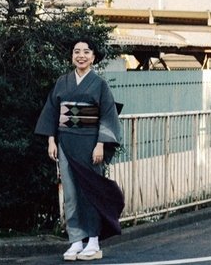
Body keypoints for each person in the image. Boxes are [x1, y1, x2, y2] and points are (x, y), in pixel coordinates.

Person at [35, 40, 124, 261]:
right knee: (71, 194)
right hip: (65, 143)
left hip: (90, 145)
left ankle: (93, 241)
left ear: (93, 57)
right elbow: (52, 111)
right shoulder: (62, 82)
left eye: (86, 52)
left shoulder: (99, 84)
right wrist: (51, 140)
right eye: (77, 52)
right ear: (72, 56)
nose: (81, 56)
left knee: (90, 192)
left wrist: (101, 143)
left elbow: (108, 115)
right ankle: (75, 240)